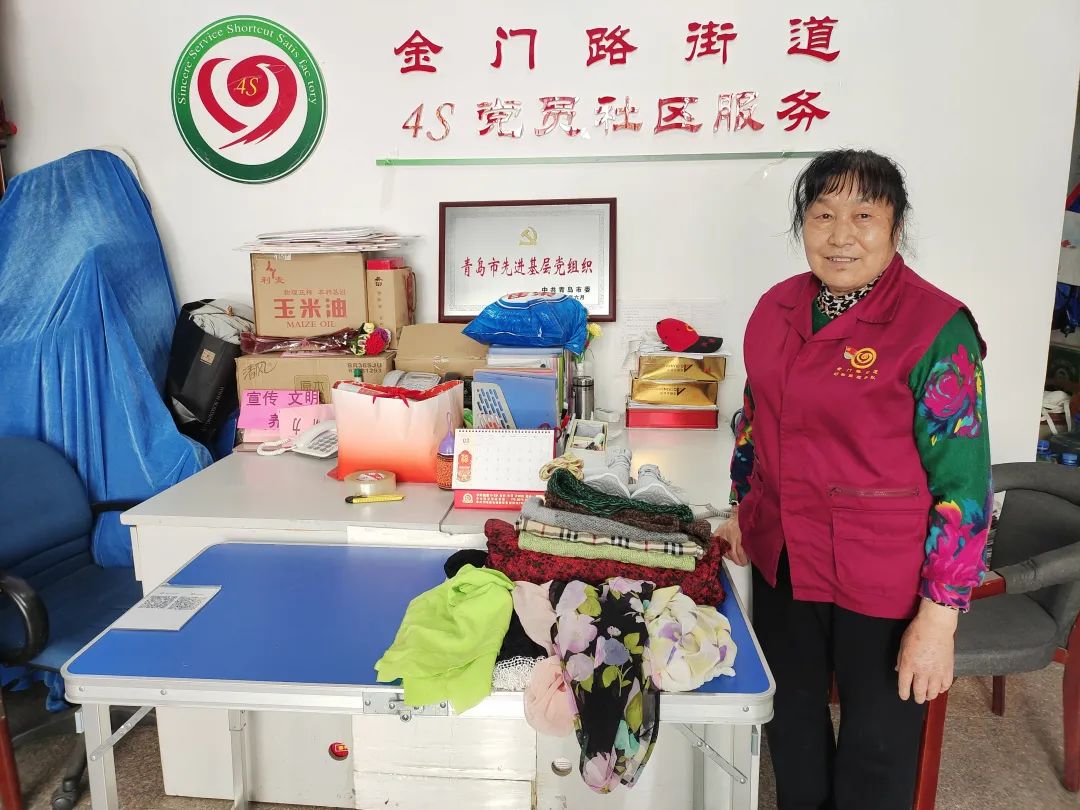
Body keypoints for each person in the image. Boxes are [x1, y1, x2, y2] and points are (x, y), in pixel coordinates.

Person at [715, 149, 991, 809]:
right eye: (823, 215)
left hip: (883, 578)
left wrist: (940, 619)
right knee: (792, 725)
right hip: (786, 559)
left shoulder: (935, 327)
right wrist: (742, 511)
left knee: (878, 749)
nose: (841, 235)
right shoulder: (776, 308)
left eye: (864, 216)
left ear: (896, 227)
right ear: (803, 225)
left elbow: (964, 487)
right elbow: (755, 422)